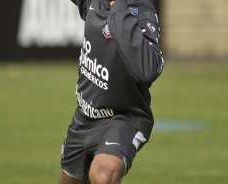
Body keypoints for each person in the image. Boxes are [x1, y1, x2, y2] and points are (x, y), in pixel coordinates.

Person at [59, 0, 164, 183]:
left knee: (103, 175)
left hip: (124, 117)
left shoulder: (140, 12)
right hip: (84, 118)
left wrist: (118, 8)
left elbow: (147, 70)